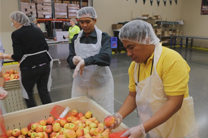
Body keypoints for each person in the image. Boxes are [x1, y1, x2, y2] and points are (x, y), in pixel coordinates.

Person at [105, 20, 198, 138]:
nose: (128, 53)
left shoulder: (171, 60)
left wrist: (142, 128)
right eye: (126, 48)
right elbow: (133, 96)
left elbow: (174, 103)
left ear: (146, 40)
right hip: (152, 125)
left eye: (131, 47)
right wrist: (119, 115)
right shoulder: (134, 67)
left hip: (175, 127)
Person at [67, 7, 114, 114]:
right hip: (80, 84)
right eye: (81, 22)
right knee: (79, 114)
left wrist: (85, 61)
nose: (84, 25)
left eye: (88, 21)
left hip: (100, 85)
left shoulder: (103, 37)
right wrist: (73, 60)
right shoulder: (75, 39)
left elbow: (106, 57)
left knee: (102, 114)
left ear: (95, 20)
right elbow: (69, 60)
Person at [0, 11, 53, 108]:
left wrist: (4, 56)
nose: (12, 24)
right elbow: (46, 47)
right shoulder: (37, 29)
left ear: (18, 21)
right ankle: (50, 115)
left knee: (28, 94)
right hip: (45, 64)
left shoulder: (16, 34)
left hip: (30, 68)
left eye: (13, 21)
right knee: (43, 90)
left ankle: (34, 117)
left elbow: (17, 56)